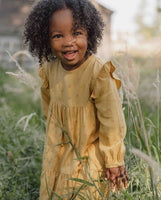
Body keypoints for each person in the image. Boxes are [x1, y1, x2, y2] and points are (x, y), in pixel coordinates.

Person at [24, 0, 128, 199]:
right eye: (58, 35)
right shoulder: (49, 70)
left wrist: (113, 159)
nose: (68, 41)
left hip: (90, 153)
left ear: (90, 32)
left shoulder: (98, 72)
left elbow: (112, 120)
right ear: (45, 39)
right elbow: (49, 110)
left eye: (77, 33)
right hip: (59, 152)